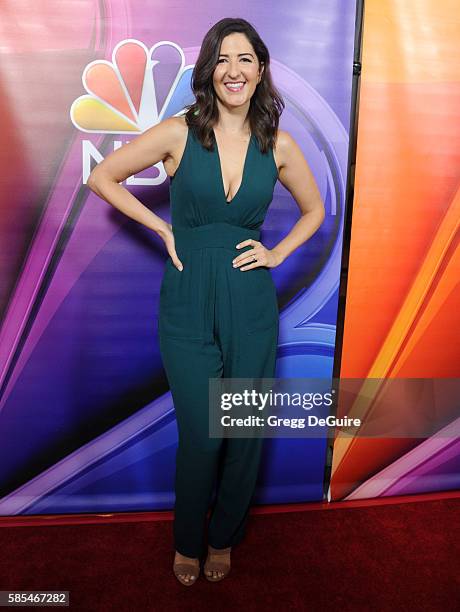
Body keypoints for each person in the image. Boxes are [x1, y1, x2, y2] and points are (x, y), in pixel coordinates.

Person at [87, 17, 325, 586]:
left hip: (250, 302)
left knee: (243, 433)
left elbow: (315, 211)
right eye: (222, 59)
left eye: (244, 59)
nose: (233, 70)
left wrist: (276, 253)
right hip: (188, 301)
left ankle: (223, 538)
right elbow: (105, 179)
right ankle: (188, 540)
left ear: (260, 69)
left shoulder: (281, 144)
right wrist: (164, 230)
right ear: (209, 71)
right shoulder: (178, 132)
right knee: (203, 433)